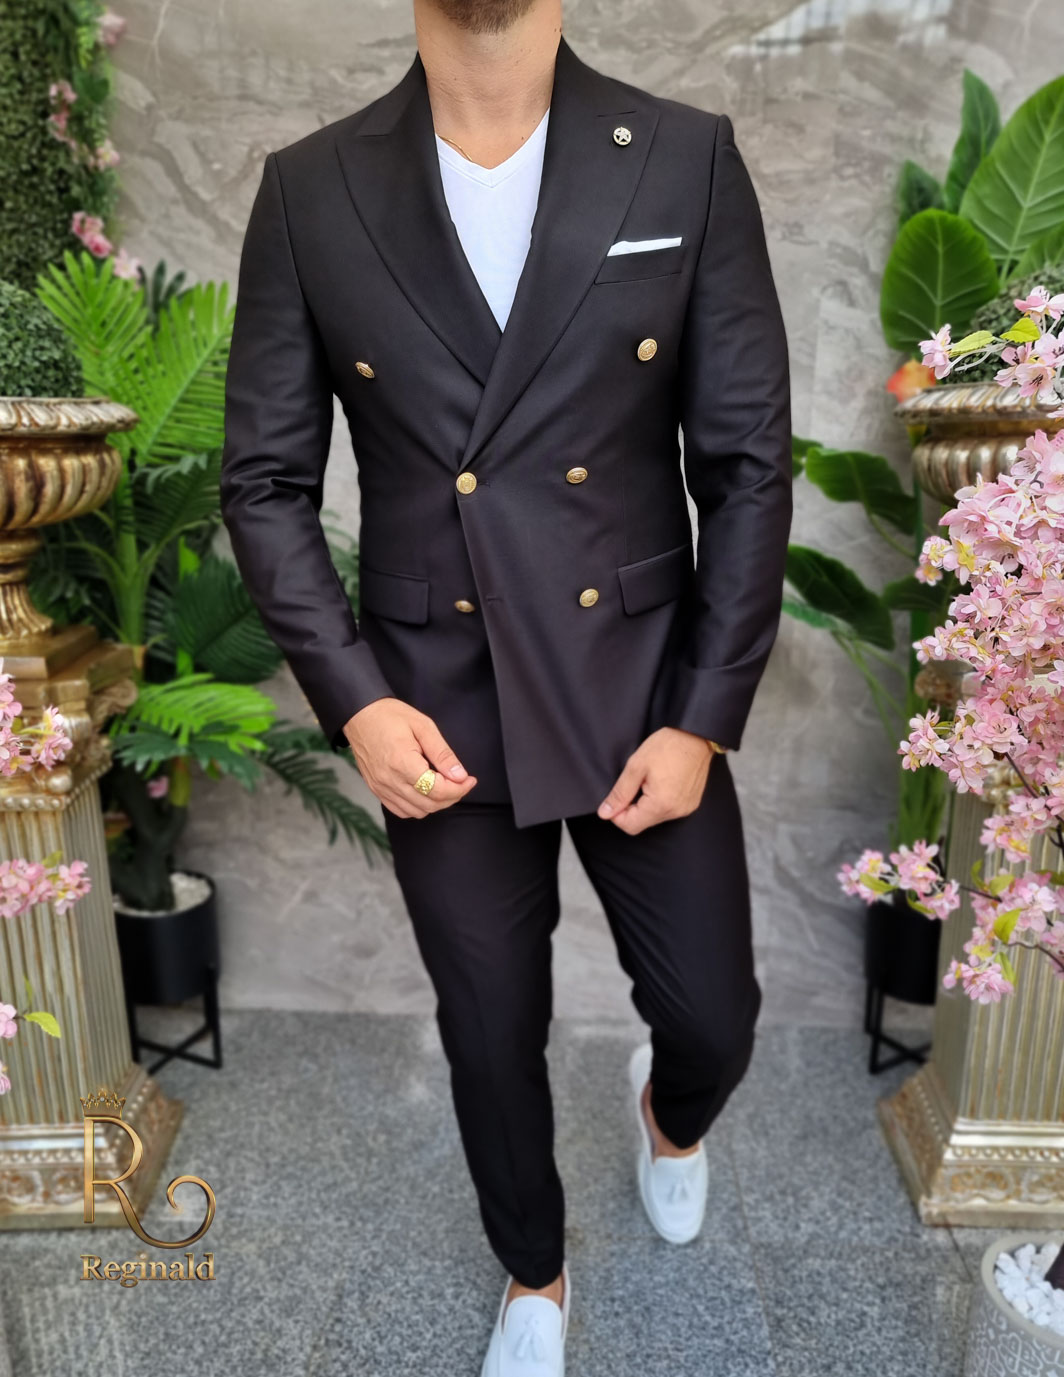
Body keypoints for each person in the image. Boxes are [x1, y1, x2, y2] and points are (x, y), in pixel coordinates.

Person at [220, 0, 792, 1370]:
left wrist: (704, 714)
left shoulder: (683, 156)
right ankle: (534, 1274)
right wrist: (357, 698)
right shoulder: (310, 188)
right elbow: (267, 482)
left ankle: (668, 1115)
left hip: (636, 681)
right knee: (488, 1033)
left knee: (714, 1019)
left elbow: (746, 466)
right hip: (433, 694)